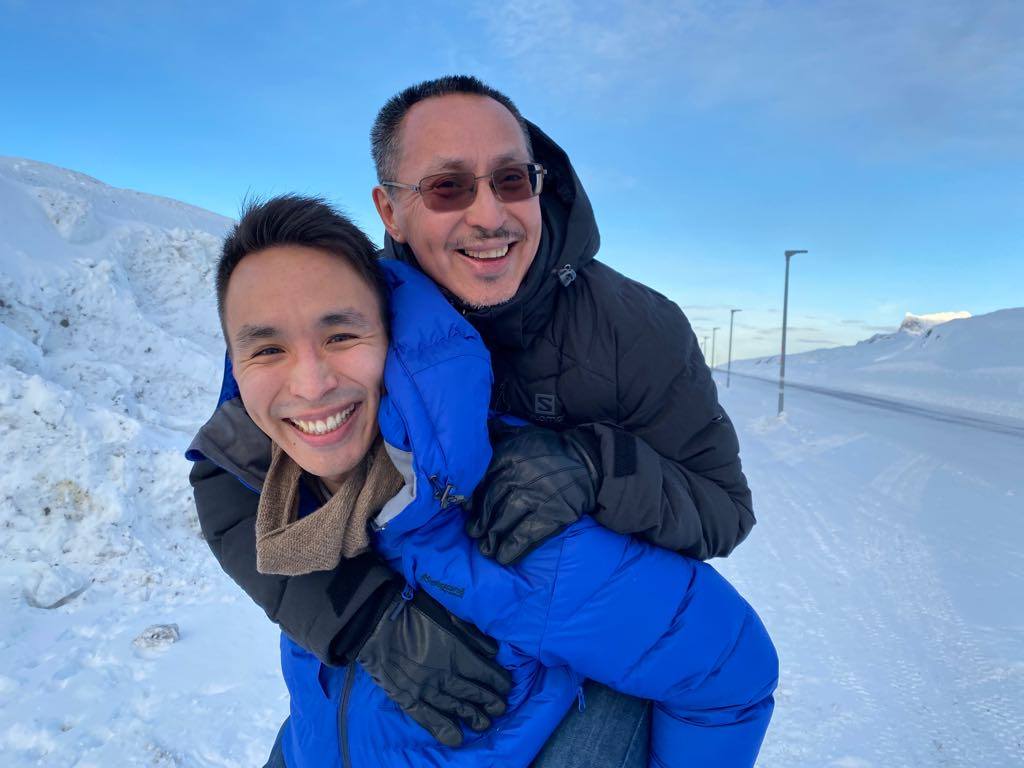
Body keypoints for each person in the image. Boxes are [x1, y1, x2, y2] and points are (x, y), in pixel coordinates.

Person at [190, 75, 757, 761]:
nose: (489, 215)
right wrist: (363, 616)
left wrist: (594, 466)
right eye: (447, 187)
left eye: (511, 180)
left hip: (590, 672)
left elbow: (722, 509)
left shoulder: (636, 331)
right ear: (390, 210)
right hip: (378, 685)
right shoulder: (342, 306)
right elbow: (232, 479)